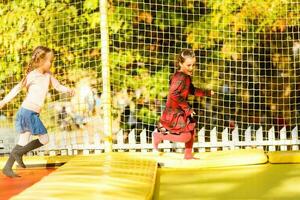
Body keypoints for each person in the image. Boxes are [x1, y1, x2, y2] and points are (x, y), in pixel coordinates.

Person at [0, 46, 74, 177]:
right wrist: (3, 102)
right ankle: (19, 153)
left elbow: (57, 86)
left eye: (52, 60)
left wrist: (68, 90)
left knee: (23, 141)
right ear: (40, 60)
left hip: (28, 112)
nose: (51, 63)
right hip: (28, 112)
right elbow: (16, 89)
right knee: (45, 139)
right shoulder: (32, 75)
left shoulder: (49, 75)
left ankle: (7, 167)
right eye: (49, 61)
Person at [153, 49, 214, 159]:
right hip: (175, 111)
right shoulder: (179, 77)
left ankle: (188, 155)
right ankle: (159, 136)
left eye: (193, 65)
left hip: (181, 109)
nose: (191, 68)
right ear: (181, 63)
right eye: (188, 65)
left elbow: (192, 90)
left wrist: (207, 93)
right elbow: (173, 93)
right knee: (185, 136)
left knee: (191, 131)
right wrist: (187, 108)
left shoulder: (186, 77)